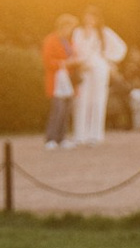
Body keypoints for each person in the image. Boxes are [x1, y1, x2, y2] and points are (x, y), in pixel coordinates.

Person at [68, 11, 125, 145]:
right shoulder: (78, 32)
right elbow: (76, 49)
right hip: (84, 68)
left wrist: (108, 60)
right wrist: (79, 63)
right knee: (82, 100)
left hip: (99, 68)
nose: (89, 20)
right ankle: (80, 134)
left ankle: (96, 134)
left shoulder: (104, 32)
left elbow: (120, 47)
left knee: (98, 100)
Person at [41, 13, 78, 149]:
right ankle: (50, 138)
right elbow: (47, 61)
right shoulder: (51, 40)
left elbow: (75, 56)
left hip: (68, 81)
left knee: (66, 110)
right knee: (58, 109)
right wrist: (63, 63)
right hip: (57, 81)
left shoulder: (69, 42)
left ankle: (62, 138)